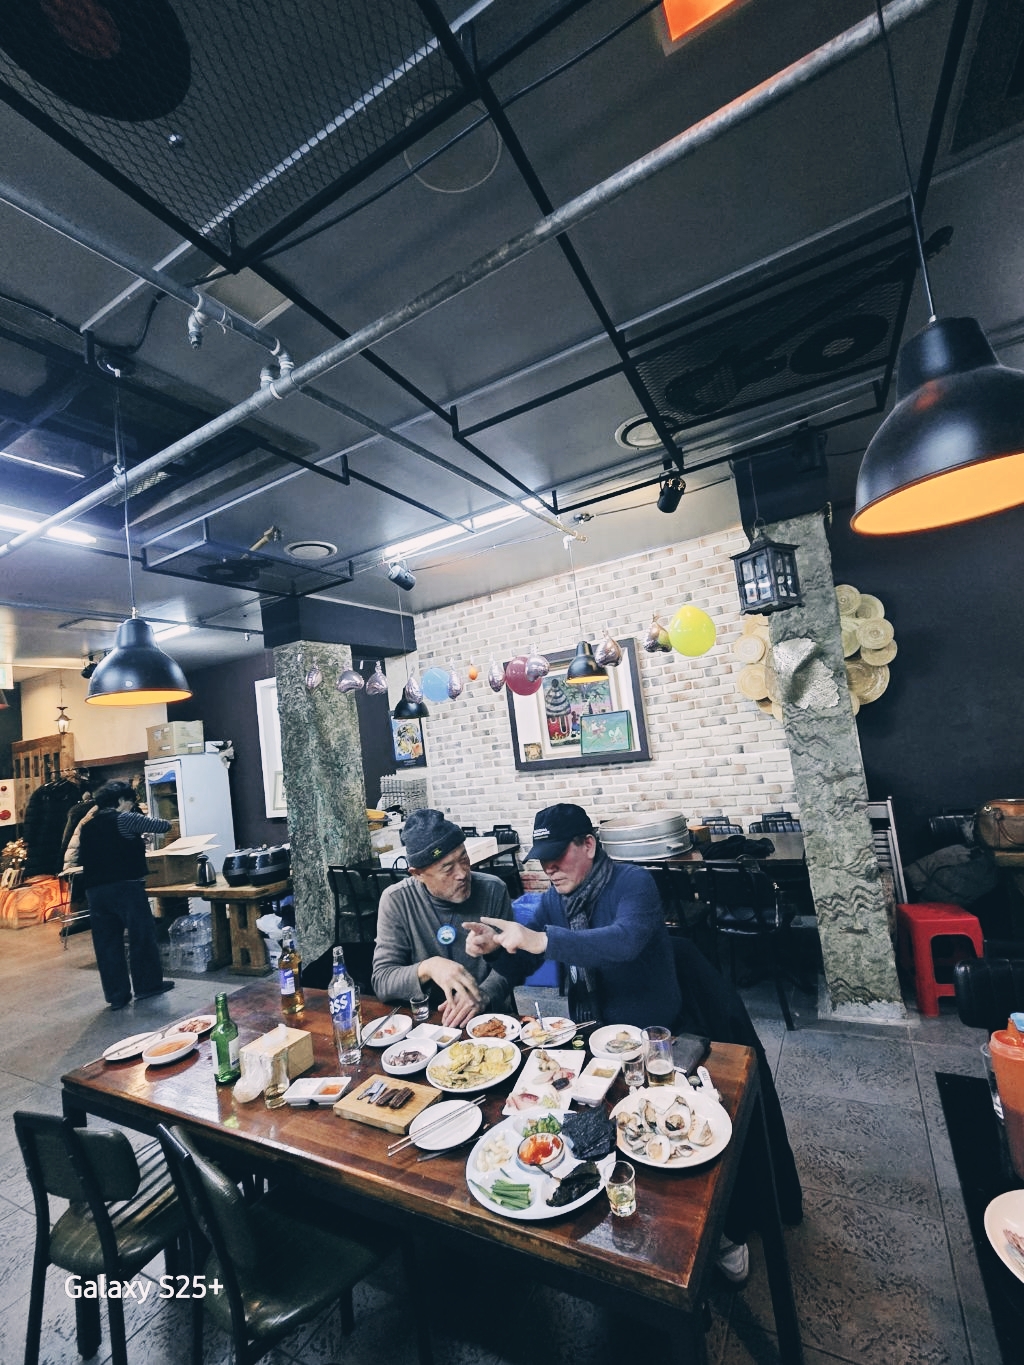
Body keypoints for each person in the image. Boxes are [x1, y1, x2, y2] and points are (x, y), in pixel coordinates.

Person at [465, 803, 681, 1029]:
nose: (549, 868)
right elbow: (523, 966)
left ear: (588, 845)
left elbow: (625, 941)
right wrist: (495, 949)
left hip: (649, 1027)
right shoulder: (554, 899)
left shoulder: (633, 881)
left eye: (556, 854)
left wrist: (544, 940)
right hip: (586, 1023)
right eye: (543, 858)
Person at [371, 809, 515, 1027]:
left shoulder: (493, 890)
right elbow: (383, 981)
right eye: (447, 869)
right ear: (417, 874)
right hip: (428, 1023)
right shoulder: (396, 900)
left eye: (464, 858)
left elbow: (511, 963)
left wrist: (483, 994)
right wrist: (428, 967)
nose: (462, 873)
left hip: (487, 1020)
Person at [77, 780, 175, 1010]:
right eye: (130, 802)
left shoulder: (87, 826)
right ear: (121, 800)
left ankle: (117, 996)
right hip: (125, 888)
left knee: (107, 944)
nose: (131, 806)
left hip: (95, 892)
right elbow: (164, 826)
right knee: (141, 937)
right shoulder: (124, 818)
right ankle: (148, 986)